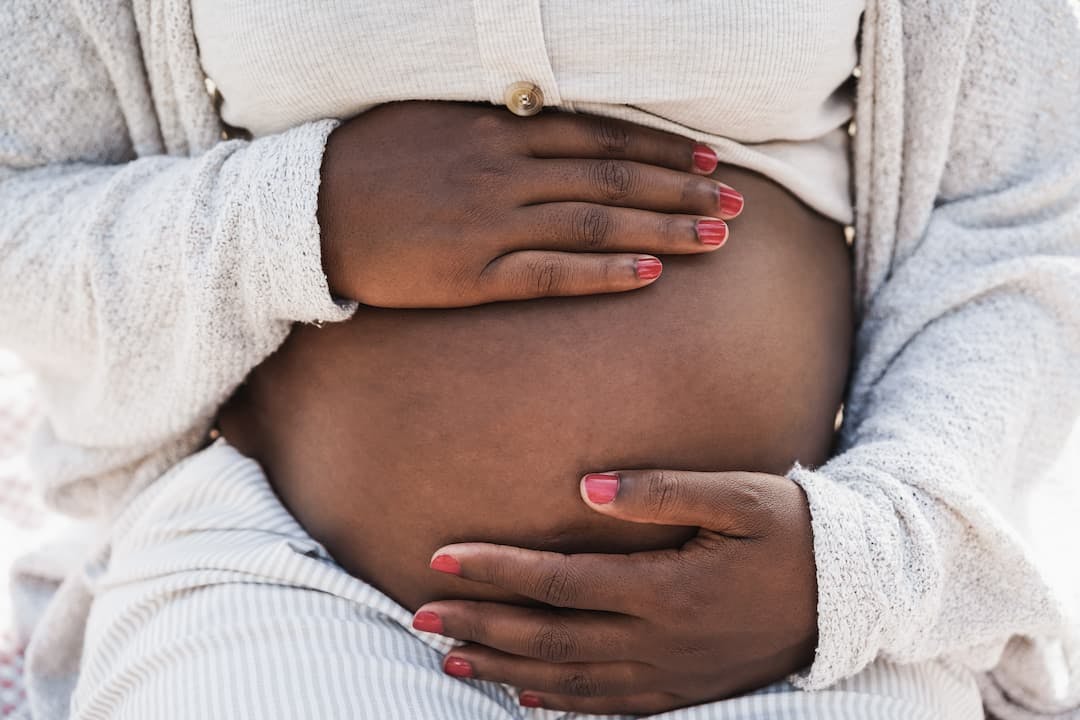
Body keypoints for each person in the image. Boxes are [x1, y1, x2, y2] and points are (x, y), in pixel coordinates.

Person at [0, 1, 1077, 719]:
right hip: (285, 577)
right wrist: (297, 216)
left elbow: (1019, 220)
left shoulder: (839, 584)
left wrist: (855, 569)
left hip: (800, 615)